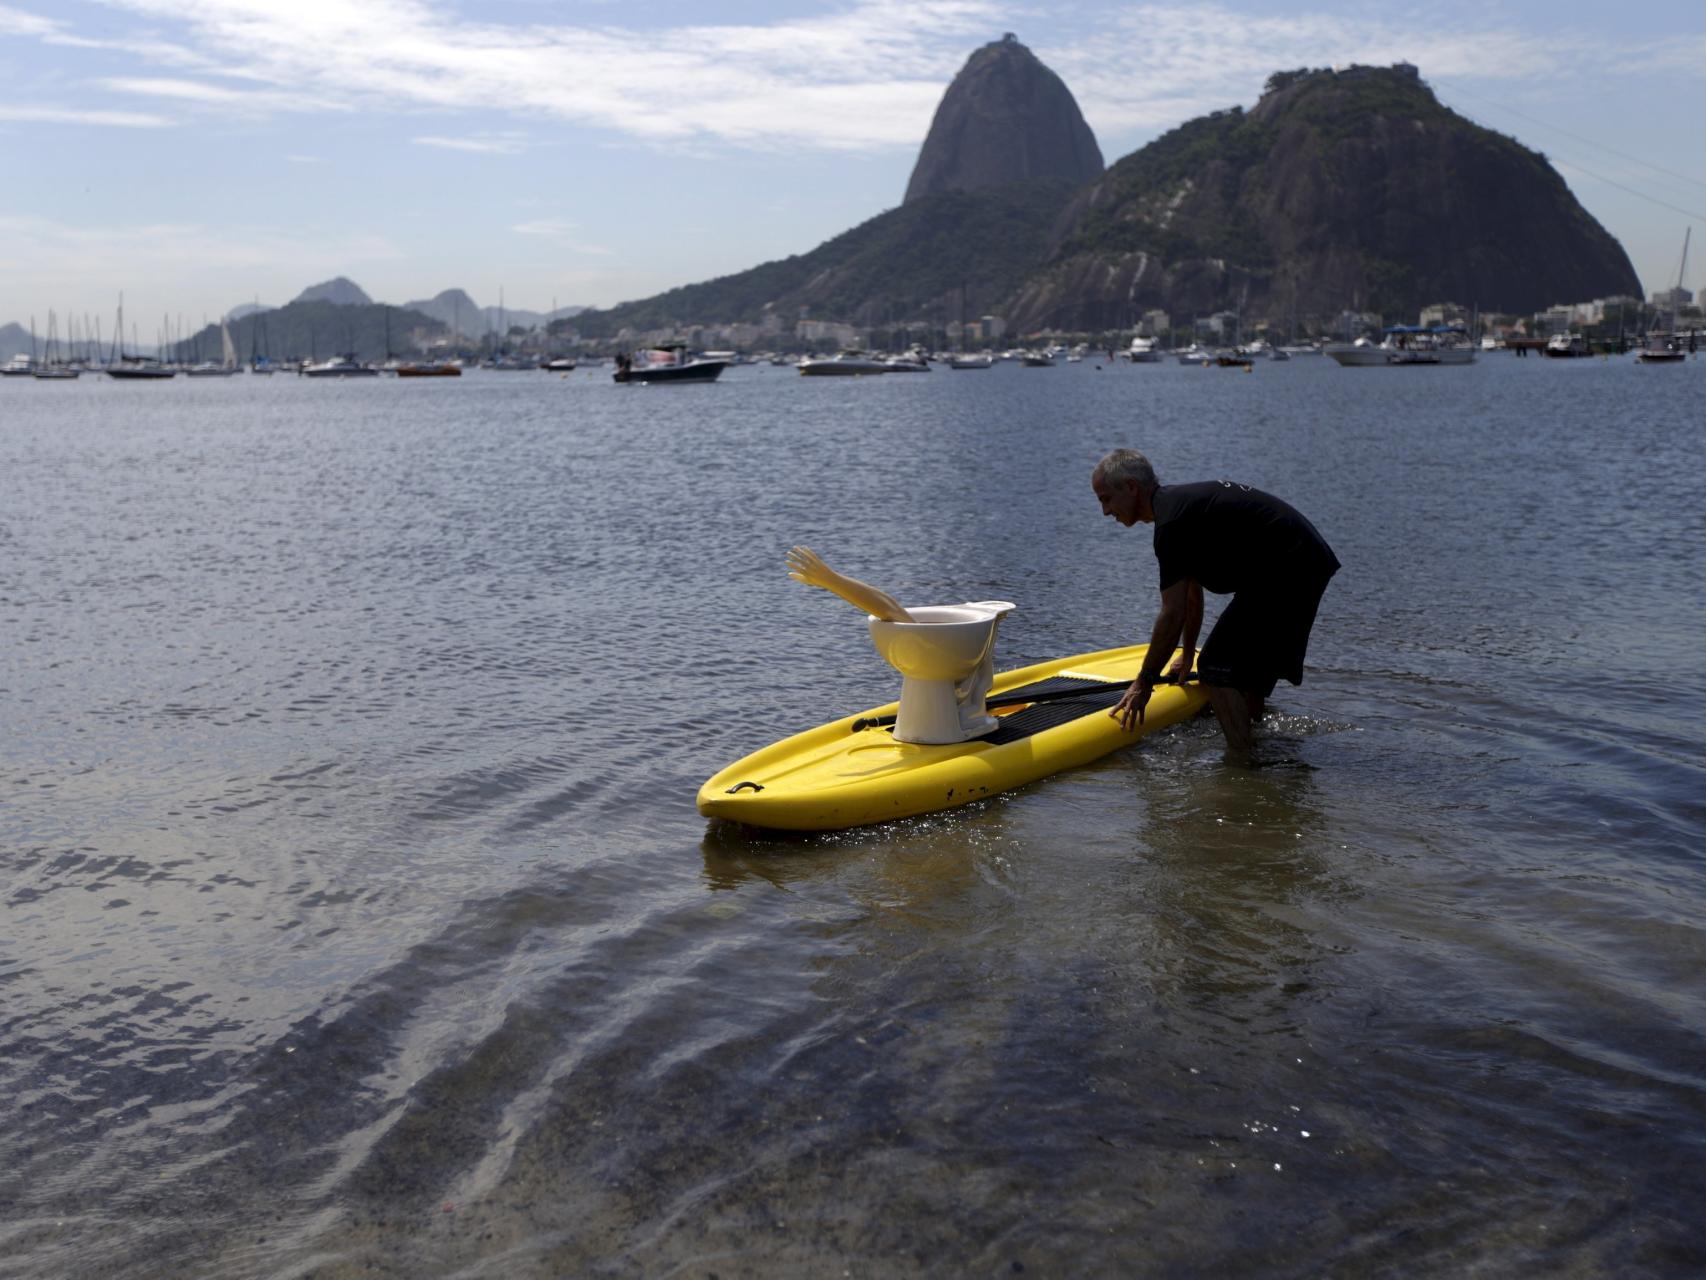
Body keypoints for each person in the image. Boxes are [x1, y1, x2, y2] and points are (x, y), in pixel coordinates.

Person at [1090, 448, 1340, 758]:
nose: (1105, 511)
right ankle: (1257, 756)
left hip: (1291, 564)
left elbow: (1172, 614)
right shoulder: (1178, 512)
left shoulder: (1171, 522)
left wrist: (1144, 683)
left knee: (1216, 667)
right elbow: (1190, 597)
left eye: (1106, 499)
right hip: (1301, 560)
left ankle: (1242, 761)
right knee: (1245, 669)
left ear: (1131, 487)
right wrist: (1186, 651)